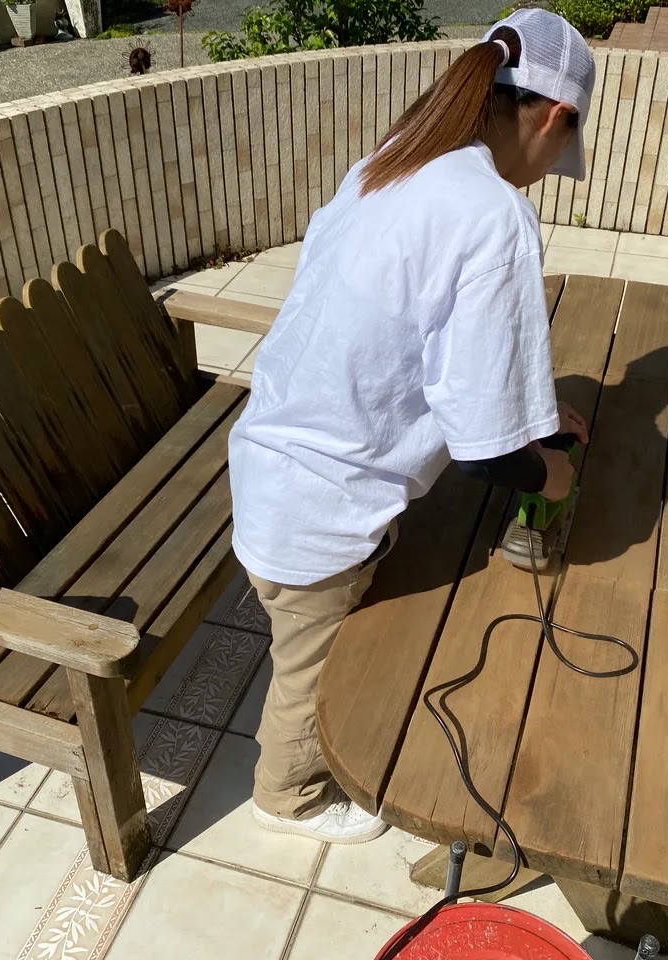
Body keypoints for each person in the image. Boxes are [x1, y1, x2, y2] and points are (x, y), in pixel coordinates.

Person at [226, 9, 596, 843]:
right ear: (554, 117)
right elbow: (487, 455)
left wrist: (534, 413)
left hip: (269, 460)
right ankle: (286, 797)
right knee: (307, 674)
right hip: (320, 512)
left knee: (309, 637)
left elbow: (429, 347)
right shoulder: (493, 214)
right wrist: (551, 470)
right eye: (559, 154)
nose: (546, 175)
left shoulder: (393, 162)